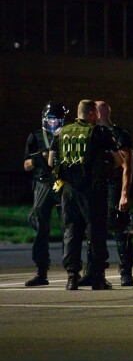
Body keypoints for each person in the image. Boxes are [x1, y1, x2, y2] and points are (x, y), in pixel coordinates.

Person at [48, 100, 122, 290]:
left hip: (68, 191)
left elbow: (50, 162)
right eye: (96, 114)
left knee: (71, 232)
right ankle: (98, 277)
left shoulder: (61, 132)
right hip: (92, 190)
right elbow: (118, 160)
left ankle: (72, 277)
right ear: (90, 114)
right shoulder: (99, 133)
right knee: (96, 232)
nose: (97, 117)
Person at [81, 101, 133, 287]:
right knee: (93, 229)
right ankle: (91, 271)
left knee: (119, 228)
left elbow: (127, 166)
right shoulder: (92, 134)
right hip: (97, 186)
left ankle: (126, 272)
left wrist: (124, 194)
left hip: (114, 185)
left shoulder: (120, 134)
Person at [23, 102, 67, 287]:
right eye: (51, 121)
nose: (54, 124)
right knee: (41, 228)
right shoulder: (35, 136)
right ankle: (41, 271)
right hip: (42, 185)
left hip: (63, 183)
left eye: (57, 121)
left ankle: (72, 271)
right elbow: (25, 165)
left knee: (69, 227)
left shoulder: (67, 135)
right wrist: (38, 158)